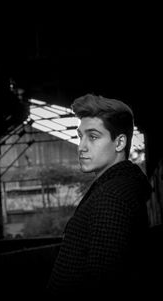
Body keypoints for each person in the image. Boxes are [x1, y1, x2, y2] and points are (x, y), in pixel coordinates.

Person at [46, 94, 152, 299]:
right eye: (80, 136)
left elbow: (102, 286)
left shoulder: (112, 197)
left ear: (120, 142)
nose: (81, 147)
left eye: (93, 136)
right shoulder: (116, 188)